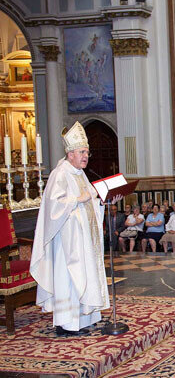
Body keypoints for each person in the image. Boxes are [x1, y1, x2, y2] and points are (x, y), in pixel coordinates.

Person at [30, 121, 122, 335]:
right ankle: (67, 323)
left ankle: (84, 319)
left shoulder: (80, 174)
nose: (86, 156)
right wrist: (76, 199)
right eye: (82, 152)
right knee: (70, 279)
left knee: (85, 275)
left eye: (87, 153)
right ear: (70, 153)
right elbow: (53, 208)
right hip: (67, 243)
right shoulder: (59, 174)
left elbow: (90, 201)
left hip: (84, 239)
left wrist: (103, 202)